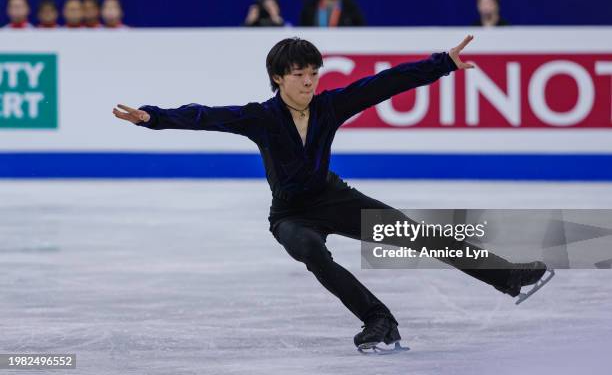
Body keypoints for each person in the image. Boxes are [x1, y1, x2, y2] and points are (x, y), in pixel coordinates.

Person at [113, 36, 550, 351]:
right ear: (277, 78)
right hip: (291, 215)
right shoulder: (260, 118)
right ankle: (378, 319)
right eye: (299, 75)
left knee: (417, 235)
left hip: (334, 197)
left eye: (313, 73)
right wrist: (154, 118)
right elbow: (205, 116)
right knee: (310, 251)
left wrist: (443, 63)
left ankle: (507, 276)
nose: (309, 82)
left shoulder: (328, 106)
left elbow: (383, 85)